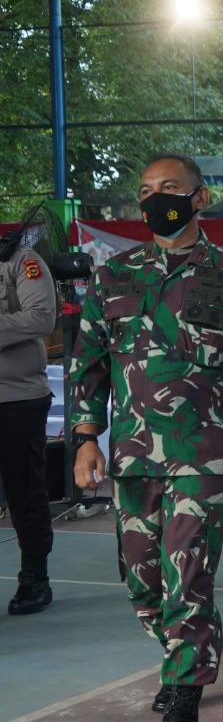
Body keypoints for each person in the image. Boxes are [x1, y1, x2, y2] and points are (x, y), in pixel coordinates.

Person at [69, 152, 223, 722]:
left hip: (202, 455)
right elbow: (88, 365)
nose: (155, 199)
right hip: (133, 455)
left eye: (169, 188)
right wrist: (86, 438)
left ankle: (183, 704)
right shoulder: (113, 279)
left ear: (198, 198)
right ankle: (185, 655)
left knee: (187, 579)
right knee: (142, 584)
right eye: (145, 190)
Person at [0, 241, 57, 615]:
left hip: (15, 397)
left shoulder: (22, 260)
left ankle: (34, 578)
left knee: (25, 490)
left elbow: (41, 317)